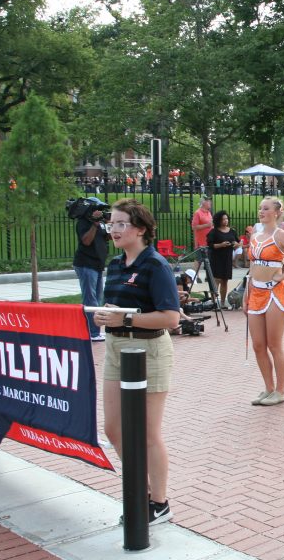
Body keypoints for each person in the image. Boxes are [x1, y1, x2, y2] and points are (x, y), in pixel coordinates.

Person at [93, 198, 183, 525]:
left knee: (147, 433)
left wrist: (124, 320)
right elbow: (116, 308)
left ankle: (159, 503)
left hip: (150, 351)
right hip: (117, 349)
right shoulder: (115, 265)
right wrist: (106, 317)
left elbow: (170, 317)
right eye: (110, 224)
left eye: (120, 224)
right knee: (114, 428)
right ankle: (140, 491)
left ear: (140, 229)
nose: (113, 229)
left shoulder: (155, 265)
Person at [245, 197, 284, 404]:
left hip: (274, 294)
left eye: (266, 208)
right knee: (258, 345)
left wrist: (283, 275)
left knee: (274, 345)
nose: (261, 211)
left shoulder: (282, 235)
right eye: (260, 208)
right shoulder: (255, 236)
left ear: (276, 212)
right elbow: (252, 267)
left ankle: (280, 391)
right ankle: (268, 388)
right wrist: (247, 292)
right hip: (255, 293)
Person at [74, 200, 109, 341]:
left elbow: (108, 237)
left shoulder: (100, 223)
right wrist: (94, 225)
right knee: (90, 299)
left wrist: (109, 225)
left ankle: (94, 331)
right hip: (86, 264)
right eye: (97, 209)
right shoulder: (83, 223)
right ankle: (92, 333)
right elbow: (86, 241)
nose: (99, 212)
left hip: (97, 265)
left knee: (98, 298)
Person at [206, 210, 238, 306]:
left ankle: (223, 302)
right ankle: (214, 301)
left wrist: (236, 244)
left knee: (225, 280)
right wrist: (221, 245)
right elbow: (210, 245)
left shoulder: (232, 231)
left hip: (227, 258)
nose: (225, 221)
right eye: (223, 219)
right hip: (216, 258)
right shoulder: (214, 232)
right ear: (218, 220)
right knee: (216, 280)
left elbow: (237, 242)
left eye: (226, 219)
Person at [190, 195, 214, 272]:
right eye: (208, 201)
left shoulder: (208, 213)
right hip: (200, 241)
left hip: (209, 241)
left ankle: (208, 276)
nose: (210, 202)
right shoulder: (197, 213)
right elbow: (194, 227)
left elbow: (210, 225)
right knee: (198, 260)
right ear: (204, 203)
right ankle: (195, 277)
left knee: (209, 259)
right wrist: (207, 225)